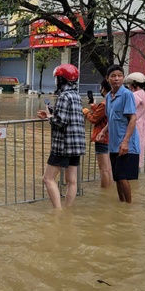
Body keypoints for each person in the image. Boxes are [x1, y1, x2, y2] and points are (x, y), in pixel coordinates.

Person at [36, 64, 86, 208]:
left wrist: (49, 117)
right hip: (76, 145)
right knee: (72, 180)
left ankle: (58, 212)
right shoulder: (76, 96)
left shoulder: (64, 96)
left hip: (63, 145)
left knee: (48, 178)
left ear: (61, 79)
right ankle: (67, 212)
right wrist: (51, 112)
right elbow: (69, 115)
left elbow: (61, 121)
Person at [98, 65, 140, 203]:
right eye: (113, 76)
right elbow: (111, 119)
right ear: (107, 78)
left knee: (122, 177)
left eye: (119, 75)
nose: (116, 78)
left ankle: (128, 206)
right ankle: (121, 204)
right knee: (117, 177)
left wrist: (126, 142)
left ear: (123, 77)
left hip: (126, 144)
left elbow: (132, 118)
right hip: (114, 144)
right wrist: (103, 132)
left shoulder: (127, 94)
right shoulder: (109, 97)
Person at [82, 79, 112, 188]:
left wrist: (86, 112)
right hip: (111, 137)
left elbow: (94, 119)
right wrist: (95, 107)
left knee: (103, 169)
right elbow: (104, 115)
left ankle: (105, 192)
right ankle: (109, 190)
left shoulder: (105, 103)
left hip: (102, 138)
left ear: (103, 88)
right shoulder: (113, 100)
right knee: (108, 168)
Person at [124, 72, 145, 168]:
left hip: (135, 126)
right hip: (142, 126)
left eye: (129, 84)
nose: (129, 87)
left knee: (132, 150)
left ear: (134, 84)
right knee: (139, 149)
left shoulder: (136, 95)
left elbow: (128, 109)